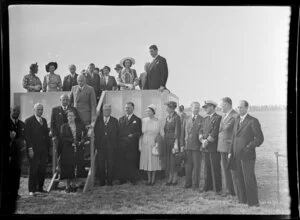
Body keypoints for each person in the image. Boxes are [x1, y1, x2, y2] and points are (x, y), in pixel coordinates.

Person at [229, 100, 264, 207]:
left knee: (249, 178)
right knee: (238, 177)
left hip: (247, 155)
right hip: (236, 154)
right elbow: (233, 138)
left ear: (246, 108)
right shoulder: (236, 120)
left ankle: (253, 202)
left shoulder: (253, 121)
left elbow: (260, 138)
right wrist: (230, 152)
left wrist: (249, 146)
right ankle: (242, 200)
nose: (239, 109)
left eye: (241, 107)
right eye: (238, 107)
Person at [50, 94, 81, 174]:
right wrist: (54, 136)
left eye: (67, 99)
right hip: (59, 137)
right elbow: (52, 124)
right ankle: (59, 169)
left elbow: (78, 121)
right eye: (63, 99)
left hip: (70, 137)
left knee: (69, 155)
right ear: (60, 100)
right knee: (59, 153)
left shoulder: (73, 109)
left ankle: (70, 174)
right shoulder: (55, 110)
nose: (65, 101)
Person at [24, 103, 50, 196]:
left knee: (42, 169)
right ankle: (32, 189)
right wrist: (30, 149)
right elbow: (27, 137)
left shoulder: (44, 120)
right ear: (34, 110)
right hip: (33, 149)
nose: (40, 111)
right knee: (33, 169)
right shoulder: (28, 121)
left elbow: (46, 136)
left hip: (43, 150)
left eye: (41, 109)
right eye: (38, 109)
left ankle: (40, 188)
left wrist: (47, 149)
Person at [60, 109, 88, 193]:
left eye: (72, 115)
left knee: (77, 165)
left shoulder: (80, 125)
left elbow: (86, 134)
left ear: (75, 117)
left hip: (78, 148)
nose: (70, 117)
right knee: (69, 166)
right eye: (69, 116)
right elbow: (63, 137)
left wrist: (82, 141)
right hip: (68, 149)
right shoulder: (64, 126)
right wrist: (72, 140)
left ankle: (74, 184)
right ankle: (68, 186)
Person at [199, 100, 222, 194]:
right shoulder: (205, 119)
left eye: (207, 107)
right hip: (205, 146)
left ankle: (217, 188)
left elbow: (215, 132)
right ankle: (207, 186)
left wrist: (207, 141)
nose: (205, 109)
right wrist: (202, 140)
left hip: (213, 147)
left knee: (215, 167)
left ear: (212, 107)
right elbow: (200, 131)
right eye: (204, 107)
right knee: (207, 168)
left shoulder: (218, 118)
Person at [217, 97, 238, 196]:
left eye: (221, 105)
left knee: (232, 170)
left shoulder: (234, 115)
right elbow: (221, 129)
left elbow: (225, 129)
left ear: (227, 104)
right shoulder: (224, 116)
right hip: (222, 146)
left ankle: (236, 191)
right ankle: (229, 190)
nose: (220, 107)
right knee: (225, 169)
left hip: (229, 147)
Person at [117, 102, 142, 185]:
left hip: (132, 145)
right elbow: (118, 132)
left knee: (132, 162)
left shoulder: (137, 120)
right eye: (126, 108)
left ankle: (133, 179)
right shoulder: (121, 119)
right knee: (122, 162)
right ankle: (122, 179)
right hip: (122, 144)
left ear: (133, 108)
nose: (127, 109)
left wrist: (133, 135)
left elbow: (139, 132)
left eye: (129, 108)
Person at [180, 102, 204, 189]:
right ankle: (188, 183)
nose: (197, 109)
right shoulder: (186, 119)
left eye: (198, 108)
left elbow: (203, 134)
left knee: (197, 166)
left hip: (197, 147)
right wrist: (182, 145)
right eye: (195, 108)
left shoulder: (202, 119)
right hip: (187, 146)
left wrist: (202, 145)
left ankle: (195, 184)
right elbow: (182, 133)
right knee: (188, 166)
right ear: (191, 108)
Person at [94, 104, 119, 186]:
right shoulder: (98, 120)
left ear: (111, 111)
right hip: (101, 146)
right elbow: (96, 133)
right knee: (101, 164)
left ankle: (109, 182)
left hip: (111, 146)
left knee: (110, 164)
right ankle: (101, 181)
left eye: (108, 109)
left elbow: (117, 134)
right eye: (105, 109)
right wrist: (96, 145)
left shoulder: (115, 120)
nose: (107, 111)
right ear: (103, 111)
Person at [139, 104, 164, 185]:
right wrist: (140, 145)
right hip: (145, 143)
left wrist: (159, 143)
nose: (148, 112)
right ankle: (148, 179)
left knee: (153, 161)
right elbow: (141, 134)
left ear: (153, 112)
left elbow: (161, 133)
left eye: (149, 111)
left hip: (154, 143)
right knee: (147, 161)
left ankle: (153, 179)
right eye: (147, 111)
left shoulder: (158, 121)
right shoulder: (144, 120)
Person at [9, 106, 26, 200]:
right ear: (10, 111)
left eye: (18, 111)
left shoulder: (22, 124)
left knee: (16, 173)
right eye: (14, 110)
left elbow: (23, 138)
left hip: (18, 153)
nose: (16, 112)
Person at [164, 101, 181, 185]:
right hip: (167, 141)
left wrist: (176, 144)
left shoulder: (176, 117)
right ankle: (170, 177)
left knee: (174, 160)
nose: (166, 108)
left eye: (167, 107)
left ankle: (175, 178)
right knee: (169, 160)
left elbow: (177, 131)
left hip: (173, 142)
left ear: (172, 108)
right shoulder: (167, 117)